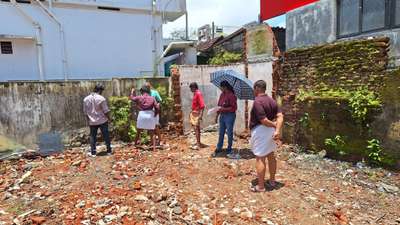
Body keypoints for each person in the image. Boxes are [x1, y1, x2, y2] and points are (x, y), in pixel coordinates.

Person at [249, 80, 284, 192]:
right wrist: (277, 129)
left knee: (260, 157)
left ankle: (261, 186)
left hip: (261, 131)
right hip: (270, 132)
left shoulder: (257, 102)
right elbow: (280, 116)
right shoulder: (272, 101)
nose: (253, 91)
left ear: (257, 88)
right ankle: (272, 181)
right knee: (270, 155)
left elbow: (263, 120)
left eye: (254, 89)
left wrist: (274, 125)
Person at [83, 83, 112, 157]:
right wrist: (110, 119)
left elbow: (85, 112)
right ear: (100, 90)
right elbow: (106, 111)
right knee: (106, 135)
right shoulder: (101, 98)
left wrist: (88, 121)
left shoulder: (86, 99)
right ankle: (109, 151)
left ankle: (93, 153)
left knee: (93, 136)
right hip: (102, 120)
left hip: (92, 121)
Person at [130, 85, 159, 151]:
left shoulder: (139, 97)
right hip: (150, 115)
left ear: (142, 91)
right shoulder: (152, 98)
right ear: (148, 91)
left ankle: (135, 145)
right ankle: (154, 147)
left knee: (138, 131)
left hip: (142, 114)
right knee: (152, 132)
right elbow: (157, 107)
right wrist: (155, 114)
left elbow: (132, 98)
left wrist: (132, 92)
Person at [213, 81, 237, 158]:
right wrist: (217, 115)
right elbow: (219, 106)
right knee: (221, 132)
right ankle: (219, 147)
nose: (220, 88)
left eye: (221, 87)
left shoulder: (232, 95)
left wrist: (224, 108)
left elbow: (234, 108)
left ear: (225, 87)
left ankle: (229, 148)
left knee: (229, 132)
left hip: (230, 115)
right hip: (222, 115)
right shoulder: (222, 95)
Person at [145, 82, 163, 146]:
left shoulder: (154, 92)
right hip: (148, 112)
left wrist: (157, 107)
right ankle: (152, 141)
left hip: (155, 111)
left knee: (156, 126)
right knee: (150, 127)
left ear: (150, 86)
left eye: (148, 87)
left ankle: (160, 140)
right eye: (146, 87)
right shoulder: (145, 94)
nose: (147, 88)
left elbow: (160, 100)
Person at [189, 82, 206, 150]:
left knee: (196, 129)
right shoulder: (195, 94)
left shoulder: (198, 94)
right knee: (196, 128)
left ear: (194, 87)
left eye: (191, 88)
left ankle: (198, 144)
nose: (190, 90)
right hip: (194, 113)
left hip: (197, 113)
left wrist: (201, 115)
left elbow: (202, 106)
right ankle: (198, 142)